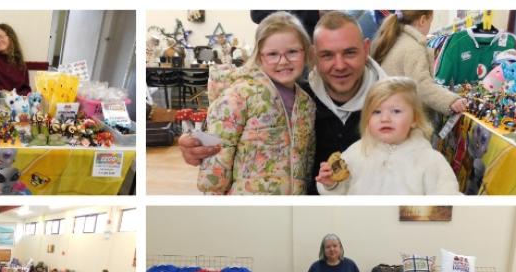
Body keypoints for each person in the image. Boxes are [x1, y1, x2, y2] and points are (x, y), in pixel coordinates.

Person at [181, 11, 388, 195]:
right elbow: (219, 142)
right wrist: (193, 143)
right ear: (314, 55)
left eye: (350, 52)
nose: (340, 65)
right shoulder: (304, 97)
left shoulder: (393, 103)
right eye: (327, 55)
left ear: (366, 48)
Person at [196, 12, 315, 195]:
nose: (283, 61)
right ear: (260, 57)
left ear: (306, 52)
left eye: (292, 52)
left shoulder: (307, 103)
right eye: (273, 54)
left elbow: (306, 159)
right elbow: (218, 153)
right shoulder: (239, 96)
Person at [316, 77, 460, 194]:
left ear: (414, 119)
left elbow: (447, 200)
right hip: (362, 227)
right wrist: (331, 184)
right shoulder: (357, 152)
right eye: (376, 112)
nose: (385, 118)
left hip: (408, 229)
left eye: (396, 111)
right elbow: (341, 195)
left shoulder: (430, 161)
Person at [371, 11, 467, 116]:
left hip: (387, 113)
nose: (429, 27)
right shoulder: (413, 48)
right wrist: (451, 100)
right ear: (422, 21)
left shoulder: (394, 40)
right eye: (430, 22)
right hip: (402, 119)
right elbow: (422, 86)